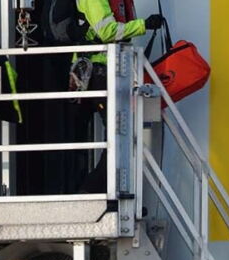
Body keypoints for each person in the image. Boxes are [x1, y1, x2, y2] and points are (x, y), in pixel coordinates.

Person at [70, 0, 163, 192]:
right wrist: (144, 25)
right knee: (117, 134)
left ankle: (101, 191)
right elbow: (107, 32)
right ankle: (91, 191)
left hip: (107, 71)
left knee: (118, 134)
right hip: (93, 71)